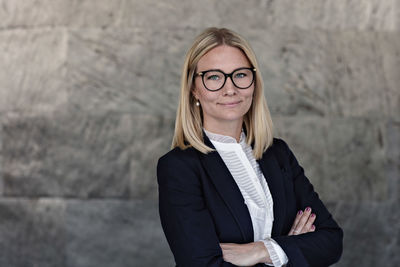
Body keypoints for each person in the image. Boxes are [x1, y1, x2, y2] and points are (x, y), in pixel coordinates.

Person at [157, 27, 343, 267]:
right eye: (214, 76)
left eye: (240, 74)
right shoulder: (179, 167)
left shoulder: (278, 154)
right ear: (194, 88)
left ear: (254, 82)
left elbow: (331, 241)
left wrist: (262, 251)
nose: (230, 88)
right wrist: (290, 251)